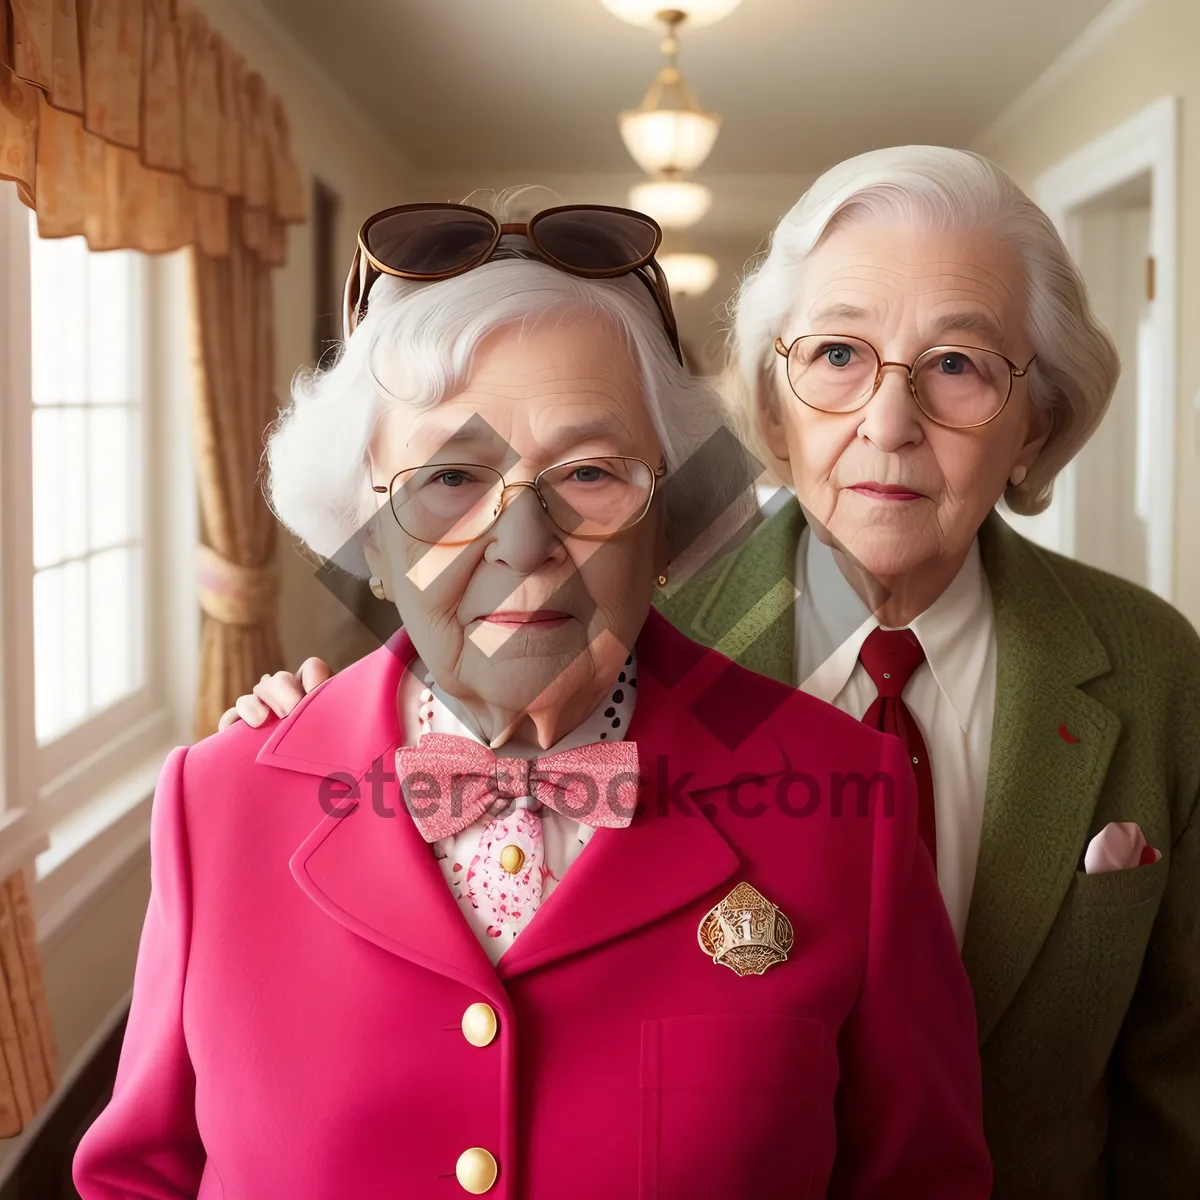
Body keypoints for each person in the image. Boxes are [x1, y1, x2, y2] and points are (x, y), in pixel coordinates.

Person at [236, 151, 1200, 1199]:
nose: (889, 423)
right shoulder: (613, 622)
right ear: (772, 413)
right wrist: (302, 735)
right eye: (837, 355)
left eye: (958, 365)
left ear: (1037, 426)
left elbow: (1179, 1088)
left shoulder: (1154, 668)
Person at [73, 193, 991, 1199]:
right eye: (451, 480)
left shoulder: (845, 799)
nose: (523, 546)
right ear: (370, 540)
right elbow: (141, 1180)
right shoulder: (218, 801)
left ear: (669, 525)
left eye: (591, 473)